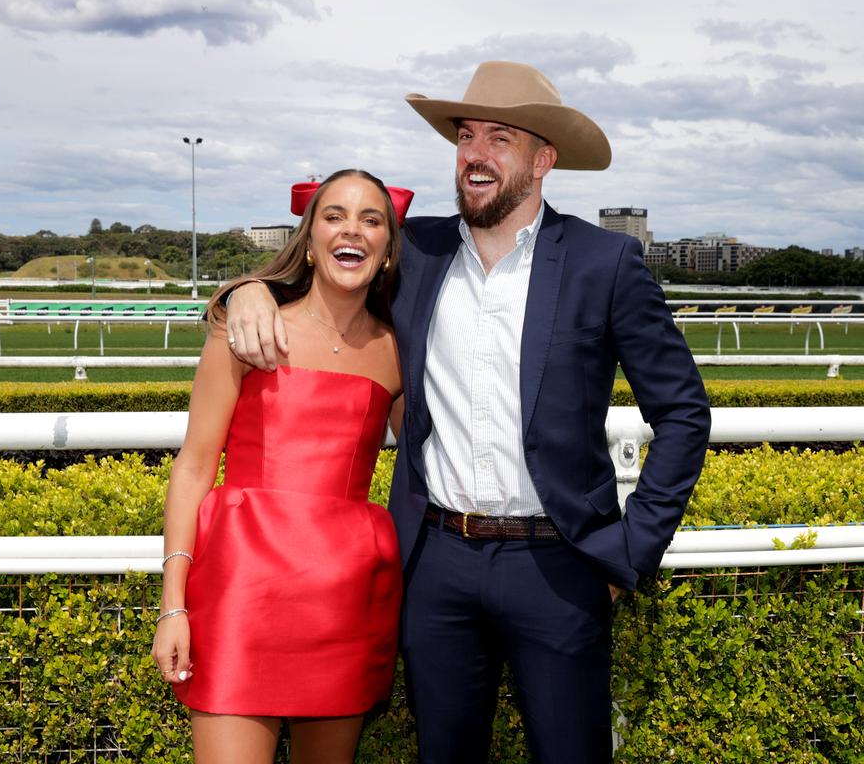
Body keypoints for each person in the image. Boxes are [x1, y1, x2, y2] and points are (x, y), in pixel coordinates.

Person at [225, 61, 711, 763]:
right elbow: (324, 262)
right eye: (466, 136)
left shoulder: (605, 263)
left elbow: (684, 414)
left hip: (560, 565)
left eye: (500, 138)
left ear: (544, 160)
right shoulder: (414, 251)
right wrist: (245, 290)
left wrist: (628, 555)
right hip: (436, 564)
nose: (476, 154)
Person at [151, 168, 415, 764]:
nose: (352, 230)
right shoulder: (245, 330)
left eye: (371, 219)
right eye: (335, 215)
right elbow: (193, 469)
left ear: (389, 247)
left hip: (345, 602)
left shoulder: (399, 352)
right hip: (241, 595)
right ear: (310, 235)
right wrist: (173, 606)